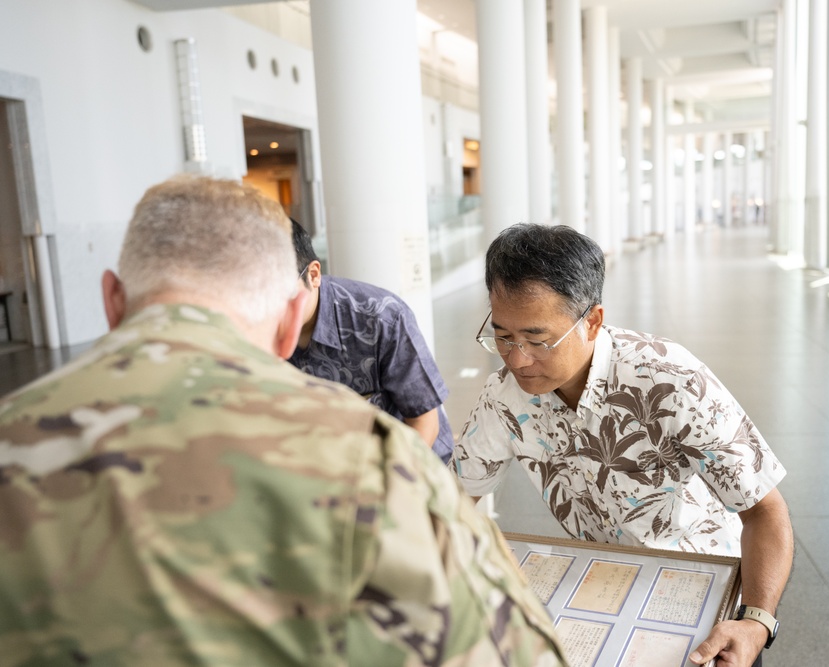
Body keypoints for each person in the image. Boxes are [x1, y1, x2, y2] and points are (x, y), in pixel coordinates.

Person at [0, 177, 566, 667]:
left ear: (112, 298)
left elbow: (425, 415)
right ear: (291, 314)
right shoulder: (366, 460)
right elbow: (509, 651)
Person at [451, 223, 794, 667]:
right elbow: (453, 499)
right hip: (601, 583)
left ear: (591, 321)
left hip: (703, 590)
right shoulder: (505, 398)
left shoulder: (671, 381)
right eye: (502, 336)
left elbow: (765, 510)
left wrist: (756, 621)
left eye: (537, 339)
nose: (517, 359)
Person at [289, 219, 453, 464]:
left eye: (279, 294)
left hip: (408, 465)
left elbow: (424, 421)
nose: (266, 310)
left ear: (313, 275)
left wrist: (390, 487)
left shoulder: (382, 318)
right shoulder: (248, 326)